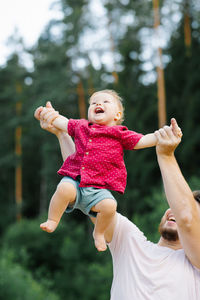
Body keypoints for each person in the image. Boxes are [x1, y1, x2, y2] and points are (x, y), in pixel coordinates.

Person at [35, 104, 200, 299]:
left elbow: (187, 218)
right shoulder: (130, 242)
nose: (174, 211)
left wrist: (165, 155)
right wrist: (62, 134)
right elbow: (85, 188)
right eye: (171, 207)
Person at [34, 90, 158, 251]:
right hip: (75, 180)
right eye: (94, 103)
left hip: (98, 189)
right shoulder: (81, 126)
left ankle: (98, 233)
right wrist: (47, 113)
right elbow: (61, 121)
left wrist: (161, 136)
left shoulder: (120, 133)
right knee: (63, 188)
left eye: (106, 102)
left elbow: (142, 140)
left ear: (117, 115)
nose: (98, 104)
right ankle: (53, 219)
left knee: (110, 205)